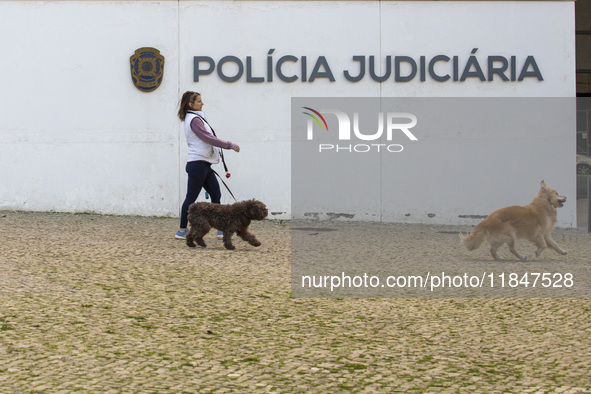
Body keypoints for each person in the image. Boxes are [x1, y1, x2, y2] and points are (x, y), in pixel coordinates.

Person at [175, 91, 240, 240]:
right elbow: (208, 138)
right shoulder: (194, 120)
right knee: (191, 198)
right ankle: (182, 230)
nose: (202, 103)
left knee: (216, 194)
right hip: (197, 165)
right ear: (190, 104)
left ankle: (220, 229)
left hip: (203, 164)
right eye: (199, 101)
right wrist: (229, 145)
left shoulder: (196, 118)